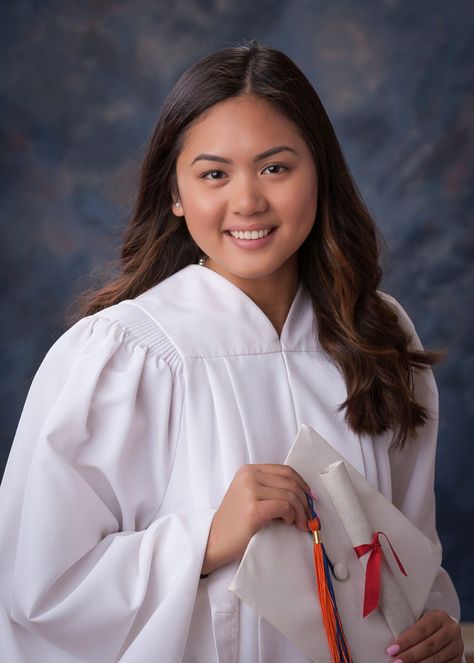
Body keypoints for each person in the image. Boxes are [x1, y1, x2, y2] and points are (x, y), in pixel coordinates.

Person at [0, 41, 465, 662]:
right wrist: (207, 537)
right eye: (214, 174)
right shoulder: (126, 356)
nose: (247, 201)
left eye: (276, 167)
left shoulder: (376, 334)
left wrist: (434, 617)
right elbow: (39, 593)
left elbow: (411, 547)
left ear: (319, 173)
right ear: (175, 192)